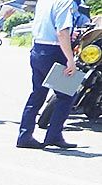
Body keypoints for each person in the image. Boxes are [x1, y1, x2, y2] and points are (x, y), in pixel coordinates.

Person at [17, 0, 89, 149]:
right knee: (67, 95)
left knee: (37, 94)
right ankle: (54, 135)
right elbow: (61, 32)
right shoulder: (65, 2)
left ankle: (24, 135)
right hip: (54, 51)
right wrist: (70, 59)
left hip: (38, 48)